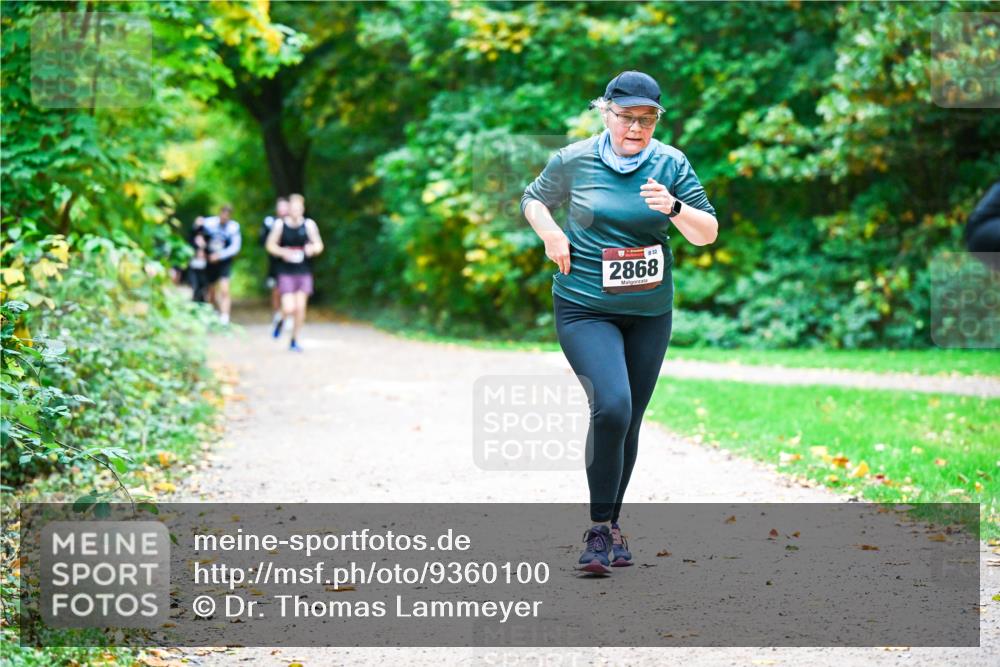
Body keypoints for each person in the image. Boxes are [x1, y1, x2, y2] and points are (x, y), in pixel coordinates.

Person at [521, 71, 719, 575]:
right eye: (627, 117)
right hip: (585, 305)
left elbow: (707, 232)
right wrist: (550, 234)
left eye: (647, 119)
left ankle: (610, 528)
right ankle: (596, 529)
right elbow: (533, 199)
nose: (636, 128)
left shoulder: (670, 162)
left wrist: (673, 207)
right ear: (606, 113)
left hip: (649, 313)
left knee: (629, 418)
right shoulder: (574, 159)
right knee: (611, 406)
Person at [265, 193, 324, 352]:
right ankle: (280, 321)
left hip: (303, 271)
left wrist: (312, 249)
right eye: (293, 208)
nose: (296, 211)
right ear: (289, 209)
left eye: (299, 208)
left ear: (303, 209)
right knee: (289, 307)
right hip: (285, 271)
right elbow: (270, 245)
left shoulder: (309, 225)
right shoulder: (280, 225)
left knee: (300, 307)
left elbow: (319, 245)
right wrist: (283, 252)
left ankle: (294, 339)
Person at [201, 205, 242, 324]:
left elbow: (235, 247)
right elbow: (198, 233)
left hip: (224, 261)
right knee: (210, 289)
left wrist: (220, 255)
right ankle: (211, 314)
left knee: (225, 289)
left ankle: (225, 317)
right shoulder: (209, 223)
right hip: (210, 261)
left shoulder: (233, 227)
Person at [261, 197, 291, 329]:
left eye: (285, 207)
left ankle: (287, 315)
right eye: (280, 207)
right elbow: (262, 241)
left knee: (288, 290)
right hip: (275, 263)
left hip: (291, 263)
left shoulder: (293, 223)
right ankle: (277, 315)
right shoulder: (270, 222)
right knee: (276, 289)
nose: (282, 209)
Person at [187, 216, 209, 303]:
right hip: (193, 264)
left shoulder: (207, 236)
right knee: (194, 285)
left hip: (204, 265)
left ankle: (201, 303)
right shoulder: (191, 236)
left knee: (203, 286)